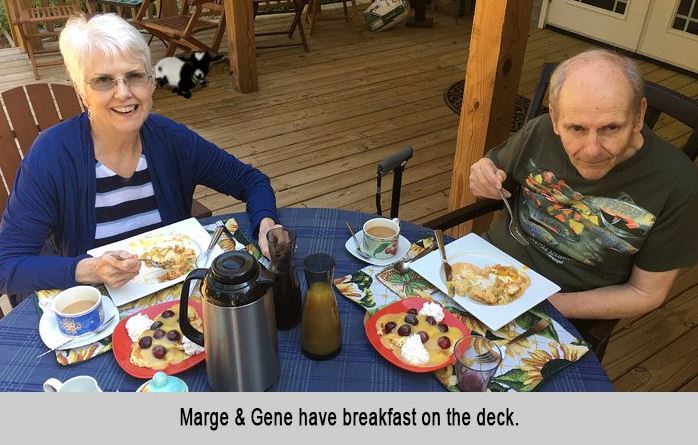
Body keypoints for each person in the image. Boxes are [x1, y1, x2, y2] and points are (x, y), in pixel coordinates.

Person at [0, 13, 282, 297]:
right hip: (98, 309)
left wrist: (265, 224)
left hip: (180, 301)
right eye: (103, 80)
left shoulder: (171, 140)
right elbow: (7, 264)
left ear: (151, 83)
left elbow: (250, 180)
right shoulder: (51, 157)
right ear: (81, 91)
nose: (123, 93)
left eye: (134, 76)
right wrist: (88, 269)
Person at [469, 49, 698, 320]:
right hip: (478, 268)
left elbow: (645, 293)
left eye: (611, 128)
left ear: (638, 117)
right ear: (555, 119)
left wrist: (540, 305)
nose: (591, 150)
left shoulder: (678, 183)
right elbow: (487, 174)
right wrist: (481, 176)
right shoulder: (539, 131)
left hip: (562, 310)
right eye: (576, 128)